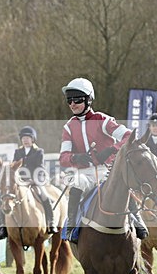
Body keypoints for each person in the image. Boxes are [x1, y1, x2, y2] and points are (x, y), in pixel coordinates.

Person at [59, 77, 148, 241]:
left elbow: (129, 137)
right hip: (85, 174)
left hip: (107, 170)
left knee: (122, 182)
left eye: (77, 99)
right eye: (69, 100)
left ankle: (137, 219)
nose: (72, 104)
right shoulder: (68, 127)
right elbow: (63, 158)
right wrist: (76, 157)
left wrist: (111, 149)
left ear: (88, 99)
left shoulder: (103, 120)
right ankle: (71, 225)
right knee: (76, 184)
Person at [13, 126, 58, 234]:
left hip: (35, 180)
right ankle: (4, 225)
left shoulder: (38, 151)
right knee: (8, 197)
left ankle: (51, 222)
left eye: (27, 138)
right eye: (23, 138)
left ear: (32, 139)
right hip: (21, 181)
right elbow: (14, 165)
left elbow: (40, 167)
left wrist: (33, 179)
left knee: (44, 195)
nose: (25, 140)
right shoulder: (18, 151)